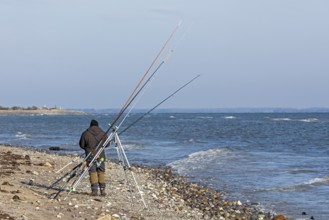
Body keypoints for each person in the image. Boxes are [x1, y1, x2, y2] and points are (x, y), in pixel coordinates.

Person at [79, 119, 109, 196]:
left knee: (92, 172)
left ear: (90, 125)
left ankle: (94, 191)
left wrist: (88, 148)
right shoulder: (103, 133)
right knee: (101, 171)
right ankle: (102, 190)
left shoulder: (86, 133)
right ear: (98, 125)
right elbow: (107, 144)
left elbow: (82, 145)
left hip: (90, 156)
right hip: (101, 156)